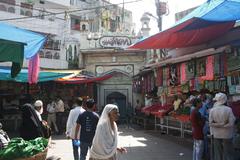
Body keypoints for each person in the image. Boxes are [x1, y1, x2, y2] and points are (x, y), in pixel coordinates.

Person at [209, 92, 236, 160]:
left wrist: (218, 125)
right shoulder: (228, 109)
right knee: (229, 153)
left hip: (216, 134)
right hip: (227, 134)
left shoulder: (212, 110)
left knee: (218, 153)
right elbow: (231, 123)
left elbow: (211, 123)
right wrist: (223, 124)